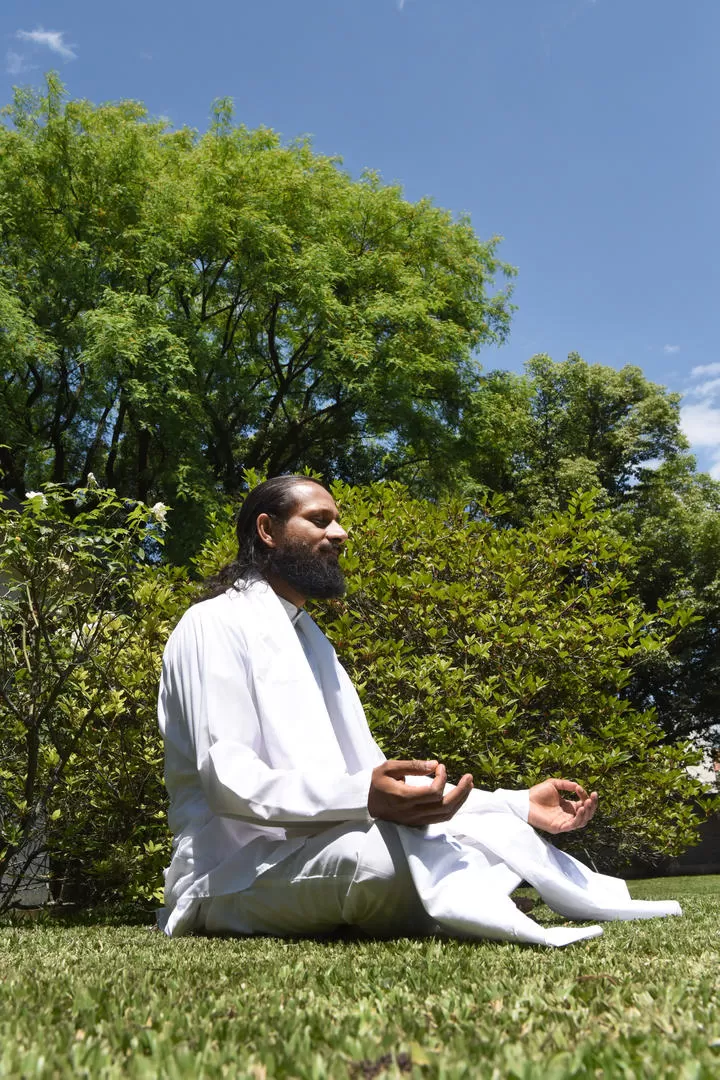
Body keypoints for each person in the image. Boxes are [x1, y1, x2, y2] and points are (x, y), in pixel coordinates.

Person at [157, 476, 680, 945]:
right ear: (267, 530)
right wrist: (364, 795)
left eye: (337, 521)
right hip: (231, 869)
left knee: (491, 838)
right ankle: (456, 897)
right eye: (320, 520)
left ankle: (456, 893)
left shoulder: (311, 639)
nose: (340, 533)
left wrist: (518, 805)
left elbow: (374, 785)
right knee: (382, 861)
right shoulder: (211, 625)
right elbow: (229, 782)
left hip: (323, 846)